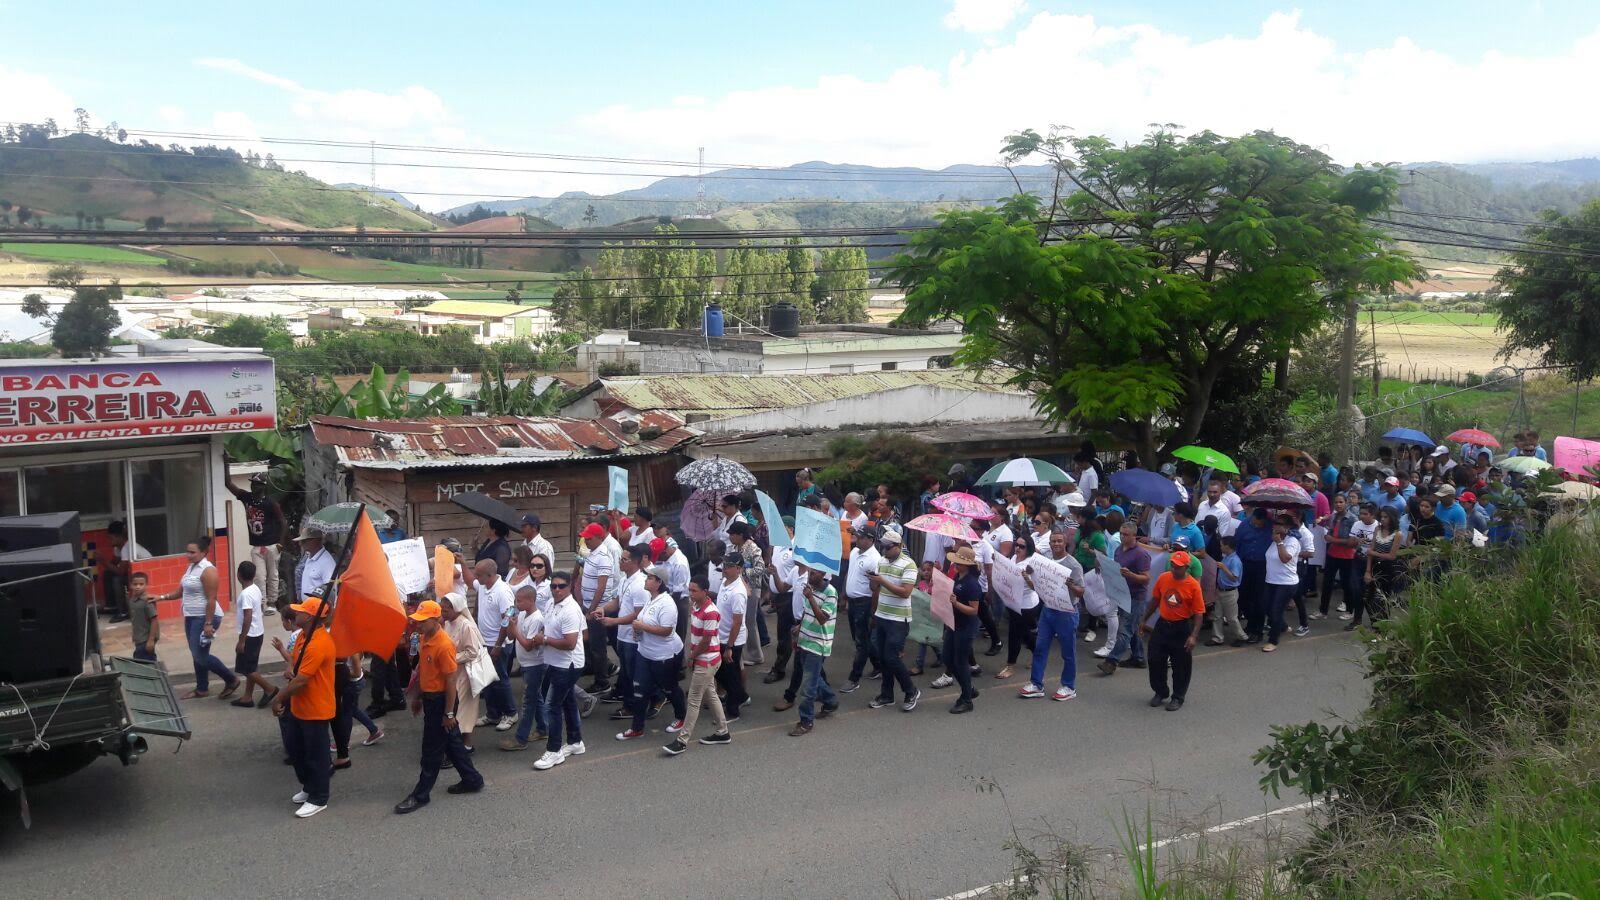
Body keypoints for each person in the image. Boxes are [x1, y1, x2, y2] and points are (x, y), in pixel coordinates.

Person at [394, 600, 484, 813]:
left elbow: (450, 682)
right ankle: (473, 779)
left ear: (436, 620)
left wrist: (449, 712)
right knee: (452, 744)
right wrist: (418, 697)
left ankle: (421, 795)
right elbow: (425, 673)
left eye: (423, 621)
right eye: (417, 620)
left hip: (442, 701)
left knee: (431, 750)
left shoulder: (443, 645)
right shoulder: (426, 638)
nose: (418, 625)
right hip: (432, 699)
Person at [271, 596, 337, 818]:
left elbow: (302, 681)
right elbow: (297, 668)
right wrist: (291, 669)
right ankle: (309, 786)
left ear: (308, 617)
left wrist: (278, 698)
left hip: (316, 709)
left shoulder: (319, 643)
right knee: (296, 749)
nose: (294, 613)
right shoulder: (302, 637)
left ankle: (319, 798)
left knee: (317, 756)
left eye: (299, 611)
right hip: (300, 706)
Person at [156, 538, 240, 701]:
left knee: (200, 656)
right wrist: (160, 597)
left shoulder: (208, 570)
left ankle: (231, 679)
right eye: (187, 551)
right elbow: (180, 592)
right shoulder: (191, 568)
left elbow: (211, 598)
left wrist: (208, 623)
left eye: (192, 552)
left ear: (204, 553)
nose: (188, 555)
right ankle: (202, 688)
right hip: (191, 617)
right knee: (199, 654)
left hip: (205, 618)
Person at [664, 574, 731, 754]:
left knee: (694, 700)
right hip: (704, 659)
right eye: (690, 589)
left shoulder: (711, 611)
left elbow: (706, 641)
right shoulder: (696, 606)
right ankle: (723, 731)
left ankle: (682, 740)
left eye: (694, 590)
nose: (691, 593)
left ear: (705, 591)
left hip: (706, 660)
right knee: (711, 694)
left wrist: (692, 656)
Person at [619, 567, 686, 740]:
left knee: (669, 688)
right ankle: (637, 728)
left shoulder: (667, 603)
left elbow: (666, 631)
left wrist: (642, 627)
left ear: (659, 583)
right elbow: (643, 621)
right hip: (645, 653)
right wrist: (638, 630)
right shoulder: (651, 599)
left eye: (650, 578)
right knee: (639, 690)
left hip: (663, 656)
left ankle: (681, 717)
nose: (646, 580)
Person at [533, 572, 588, 771]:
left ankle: (554, 751)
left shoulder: (571, 610)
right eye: (553, 586)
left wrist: (545, 640)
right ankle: (575, 742)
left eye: (561, 586)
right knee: (566, 701)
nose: (556, 589)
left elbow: (571, 643)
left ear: (570, 587)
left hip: (568, 664)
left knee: (552, 706)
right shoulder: (550, 604)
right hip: (555, 662)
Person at [1140, 551, 1205, 711]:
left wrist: (1193, 636)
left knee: (1181, 665)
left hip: (1181, 627)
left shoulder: (1193, 585)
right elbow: (1156, 600)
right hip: (1162, 625)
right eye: (1173, 566)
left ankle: (1178, 697)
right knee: (1155, 659)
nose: (1175, 569)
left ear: (1187, 568)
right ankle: (1160, 691)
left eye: (1179, 567)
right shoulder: (1164, 578)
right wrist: (1144, 620)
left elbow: (1199, 613)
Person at [866, 528, 921, 711]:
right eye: (883, 546)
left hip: (898, 619)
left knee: (891, 657)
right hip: (882, 614)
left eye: (888, 547)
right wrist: (873, 581)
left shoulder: (909, 564)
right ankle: (886, 695)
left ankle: (911, 690)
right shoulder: (882, 561)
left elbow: (906, 592)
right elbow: (876, 588)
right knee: (883, 658)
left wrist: (882, 582)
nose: (884, 550)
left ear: (898, 546)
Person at [595, 543, 649, 714]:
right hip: (623, 636)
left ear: (634, 562)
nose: (620, 562)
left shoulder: (640, 584)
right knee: (626, 672)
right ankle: (629, 703)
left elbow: (638, 614)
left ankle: (634, 706)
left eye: (623, 559)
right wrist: (603, 609)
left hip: (633, 637)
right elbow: (618, 602)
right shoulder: (625, 579)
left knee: (633, 674)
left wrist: (613, 621)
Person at [789, 565, 841, 735]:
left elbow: (821, 618)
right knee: (812, 677)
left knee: (808, 685)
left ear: (824, 574)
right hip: (804, 638)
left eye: (815, 573)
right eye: (810, 572)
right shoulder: (809, 588)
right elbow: (807, 611)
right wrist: (799, 627)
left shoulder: (831, 593)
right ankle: (831, 700)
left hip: (818, 644)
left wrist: (810, 597)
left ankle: (806, 721)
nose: (811, 575)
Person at [467, 559, 516, 732]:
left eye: (478, 574)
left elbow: (508, 617)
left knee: (500, 679)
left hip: (498, 644)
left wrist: (498, 644)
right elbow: (468, 580)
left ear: (489, 575)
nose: (475, 577)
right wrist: (461, 563)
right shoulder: (483, 586)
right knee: (487, 680)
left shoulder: (503, 591)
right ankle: (492, 714)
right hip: (484, 642)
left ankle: (511, 713)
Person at [228, 473, 286, 607]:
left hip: (272, 545)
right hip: (257, 547)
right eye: (252, 483)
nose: (253, 486)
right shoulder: (247, 498)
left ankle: (272, 603)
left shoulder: (271, 503)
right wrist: (225, 462)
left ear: (263, 487)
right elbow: (229, 484)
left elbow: (283, 522)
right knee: (259, 577)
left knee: (273, 576)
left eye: (256, 484)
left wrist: (280, 544)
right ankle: (261, 603)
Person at [501, 584, 548, 751]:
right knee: (537, 697)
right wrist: (510, 624)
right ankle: (543, 728)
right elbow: (511, 635)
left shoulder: (536, 619)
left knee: (528, 702)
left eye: (519, 601)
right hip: (526, 664)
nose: (516, 604)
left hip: (535, 665)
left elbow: (529, 645)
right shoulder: (521, 615)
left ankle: (521, 739)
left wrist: (515, 630)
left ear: (530, 601)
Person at [1099, 523, 1151, 673]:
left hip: (1136, 597)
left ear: (1134, 536)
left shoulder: (1141, 554)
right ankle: (1139, 657)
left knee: (1125, 630)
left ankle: (1111, 661)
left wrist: (1132, 575)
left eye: (1126, 534)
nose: (1122, 537)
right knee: (1132, 629)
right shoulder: (1118, 550)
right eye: (1121, 533)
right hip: (1122, 594)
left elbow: (1146, 578)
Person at [439, 591, 487, 750]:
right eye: (442, 608)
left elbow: (472, 652)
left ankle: (466, 744)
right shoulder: (447, 623)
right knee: (453, 707)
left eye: (446, 609)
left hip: (465, 675)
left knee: (463, 709)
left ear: (457, 609)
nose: (443, 612)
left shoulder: (466, 626)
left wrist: (451, 658)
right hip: (452, 674)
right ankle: (454, 743)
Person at [841, 525, 883, 693]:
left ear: (870, 540)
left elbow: (876, 588)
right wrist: (844, 595)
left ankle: (854, 678)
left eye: (861, 537)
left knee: (861, 642)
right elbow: (848, 575)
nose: (857, 539)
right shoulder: (854, 552)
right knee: (860, 638)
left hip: (864, 604)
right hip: (853, 602)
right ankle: (878, 666)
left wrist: (873, 613)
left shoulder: (874, 559)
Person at [942, 546, 984, 714]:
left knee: (960, 662)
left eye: (958, 562)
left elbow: (974, 610)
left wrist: (956, 604)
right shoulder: (959, 577)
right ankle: (968, 688)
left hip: (965, 627)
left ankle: (966, 699)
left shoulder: (972, 584)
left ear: (967, 565)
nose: (955, 564)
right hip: (954, 624)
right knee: (948, 659)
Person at [995, 534, 1043, 680]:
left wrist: (1026, 576)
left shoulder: (1030, 563)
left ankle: (1011, 666)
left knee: (1015, 634)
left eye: (1022, 546)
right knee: (1024, 633)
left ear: (1028, 549)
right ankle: (1039, 653)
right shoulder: (1015, 558)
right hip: (1013, 602)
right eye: (1017, 545)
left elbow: (1036, 586)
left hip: (1026, 605)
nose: (1017, 548)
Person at [229, 561, 276, 708]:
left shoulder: (245, 594)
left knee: (246, 669)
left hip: (250, 635)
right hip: (258, 633)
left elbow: (247, 617)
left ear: (238, 575)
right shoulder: (255, 589)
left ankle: (270, 689)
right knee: (251, 667)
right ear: (254, 575)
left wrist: (242, 641)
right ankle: (247, 697)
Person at [576, 522, 615, 694]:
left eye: (589, 538)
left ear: (599, 538)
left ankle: (602, 681)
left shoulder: (603, 556)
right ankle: (597, 671)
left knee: (598, 646)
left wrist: (592, 609)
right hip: (590, 605)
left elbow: (601, 586)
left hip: (598, 608)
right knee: (592, 644)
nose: (586, 541)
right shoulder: (593, 553)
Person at [713, 555, 751, 720]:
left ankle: (733, 710)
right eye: (724, 564)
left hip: (732, 640)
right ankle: (741, 697)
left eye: (729, 566)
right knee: (721, 672)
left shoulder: (738, 593)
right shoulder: (725, 582)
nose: (725, 568)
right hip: (720, 635)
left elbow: (737, 622)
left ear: (738, 569)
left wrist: (729, 647)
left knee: (729, 674)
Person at [1355, 507, 1404, 628]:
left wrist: (1373, 553)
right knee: (1367, 597)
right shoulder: (1378, 529)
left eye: (1386, 517)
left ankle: (1383, 626)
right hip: (1375, 566)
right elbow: (1371, 550)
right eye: (1381, 517)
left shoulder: (1397, 534)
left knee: (1383, 599)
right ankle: (1374, 623)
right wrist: (1368, 570)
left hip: (1388, 569)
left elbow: (1392, 556)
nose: (1383, 519)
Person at [1317, 493, 1361, 620]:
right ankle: (1323, 610)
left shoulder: (1353, 519)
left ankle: (1350, 610)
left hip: (1347, 556)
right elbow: (1330, 532)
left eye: (1341, 502)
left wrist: (1333, 540)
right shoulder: (1333, 517)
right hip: (1332, 553)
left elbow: (1352, 541)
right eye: (1336, 502)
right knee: (1327, 583)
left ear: (1346, 503)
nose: (1338, 504)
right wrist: (1328, 537)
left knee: (1347, 584)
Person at [1263, 516, 1303, 653]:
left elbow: (1285, 558)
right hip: (1271, 580)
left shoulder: (1292, 541)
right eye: (1275, 523)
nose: (1275, 526)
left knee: (1276, 610)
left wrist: (1280, 543)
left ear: (1287, 527)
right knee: (1267, 607)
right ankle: (1283, 626)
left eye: (1278, 524)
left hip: (1286, 583)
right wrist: (1277, 541)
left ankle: (1273, 640)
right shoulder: (1274, 539)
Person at [1209, 535, 1246, 646]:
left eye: (1222, 545)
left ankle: (1241, 636)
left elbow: (1234, 577)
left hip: (1230, 592)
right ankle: (1217, 637)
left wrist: (1224, 568)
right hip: (1220, 590)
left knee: (1231, 617)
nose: (1220, 547)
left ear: (1227, 546)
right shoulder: (1226, 557)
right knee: (1217, 615)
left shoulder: (1235, 560)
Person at [127, 571, 159, 662]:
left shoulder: (147, 601)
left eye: (141, 584)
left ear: (146, 585)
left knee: (142, 662)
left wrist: (151, 640)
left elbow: (154, 620)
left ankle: (158, 675)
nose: (138, 586)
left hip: (146, 638)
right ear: (130, 585)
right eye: (135, 584)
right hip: (139, 637)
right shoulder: (132, 600)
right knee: (146, 661)